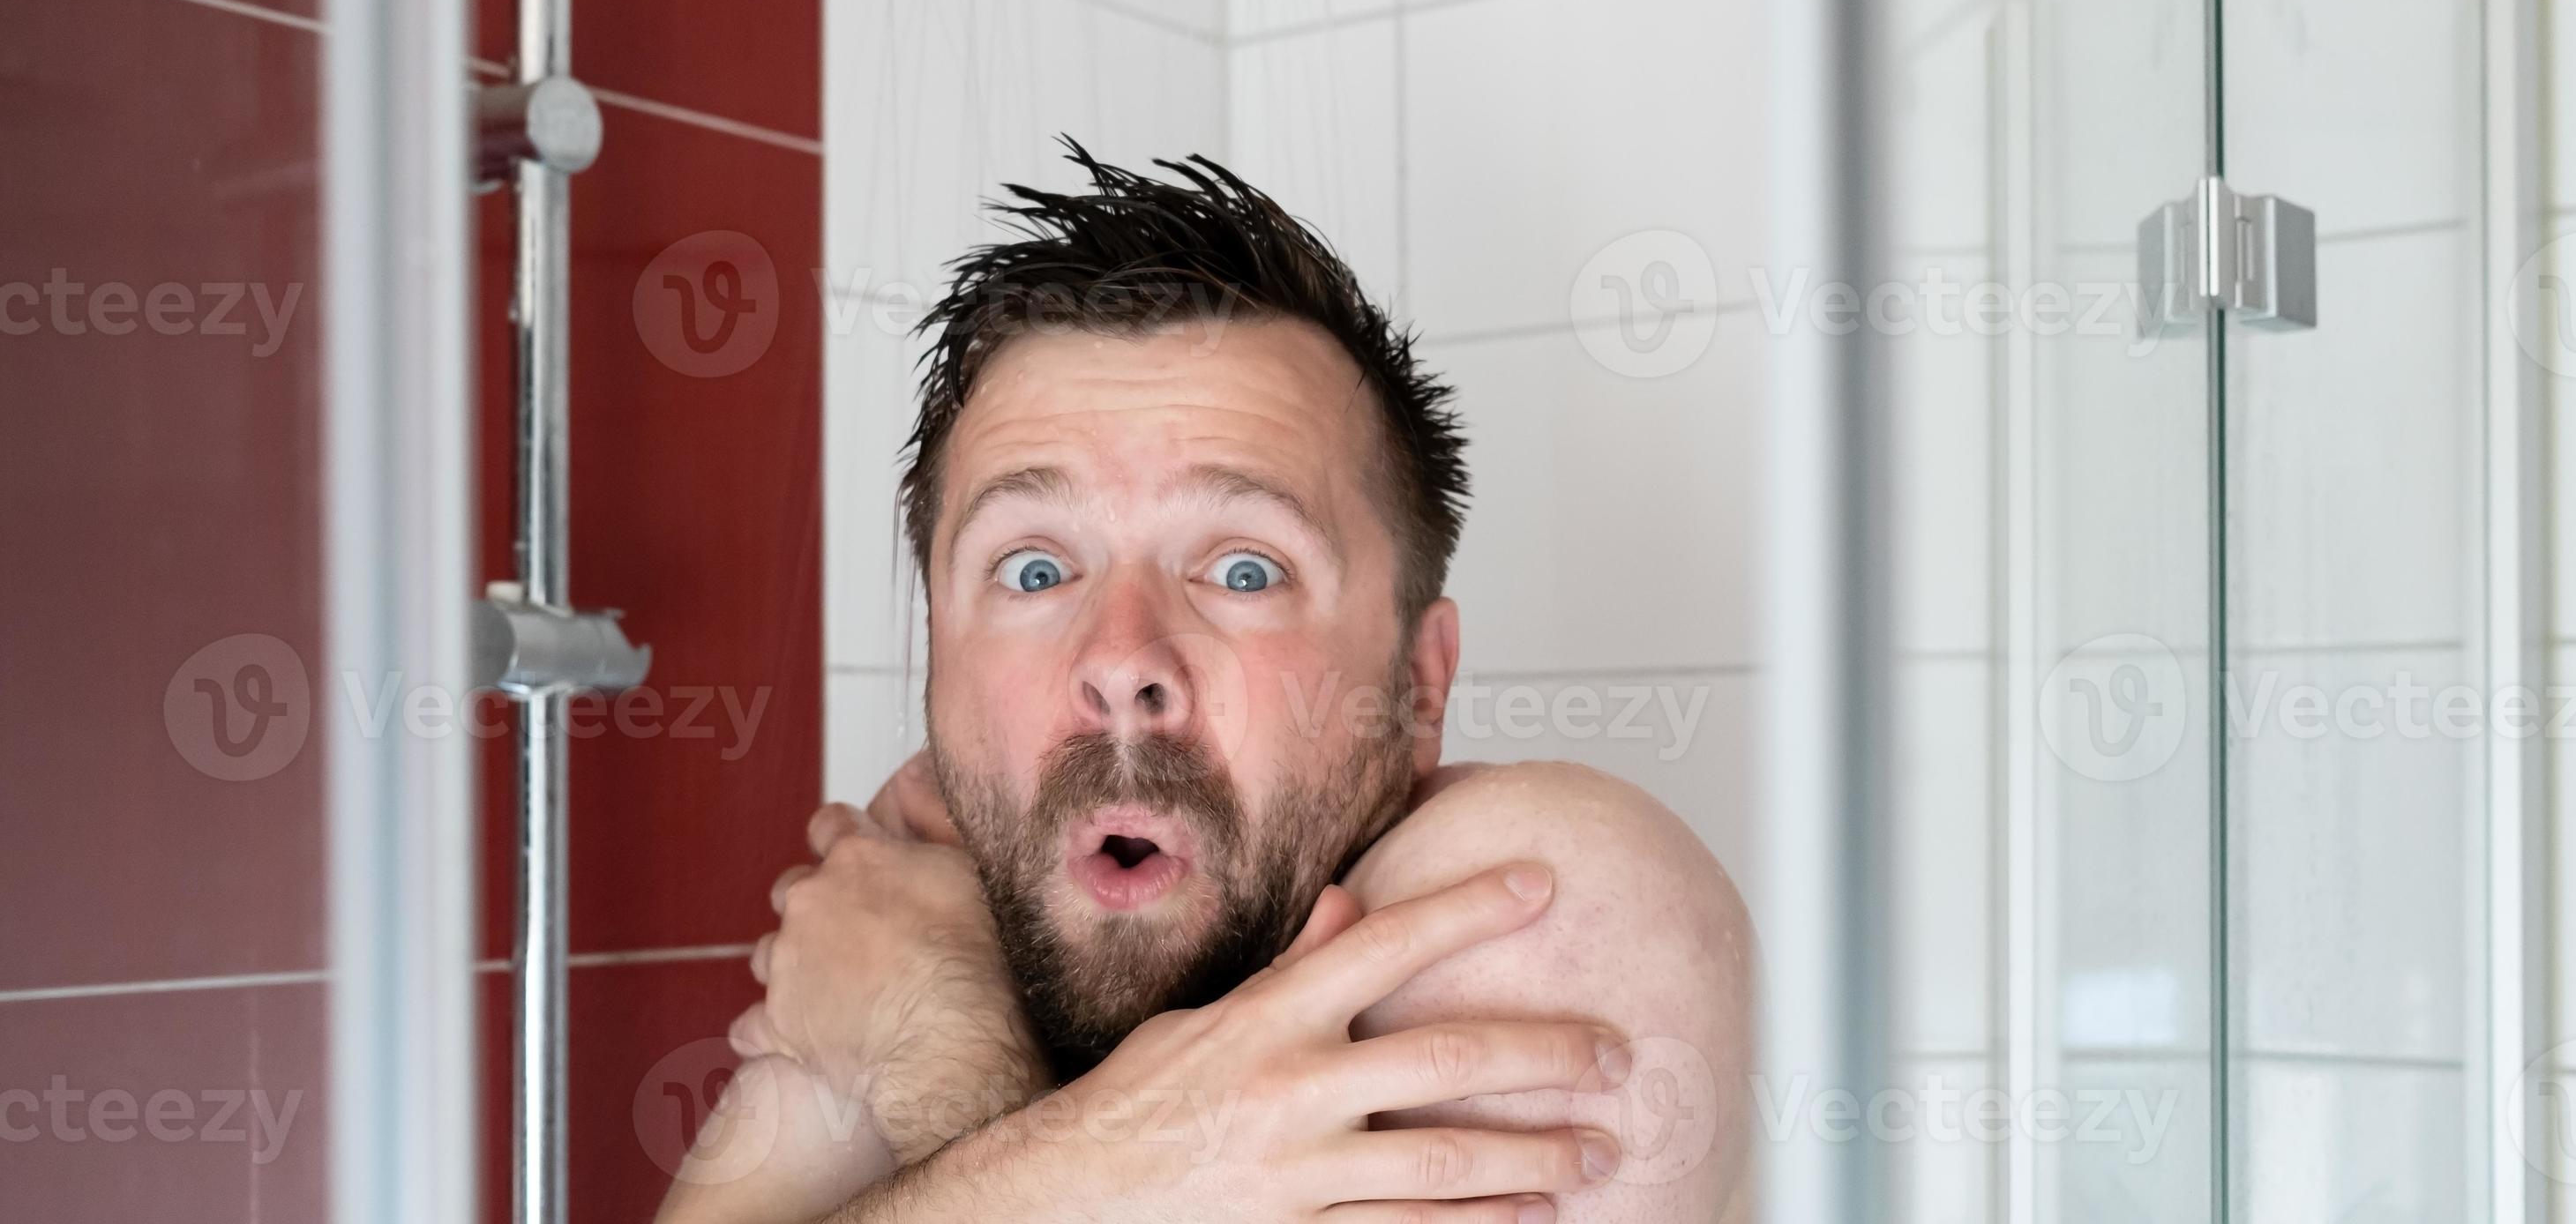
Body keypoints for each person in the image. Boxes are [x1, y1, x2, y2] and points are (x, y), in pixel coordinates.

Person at [655, 146, 1754, 1223]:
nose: (1124, 659)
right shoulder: (931, 900)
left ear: (1417, 686)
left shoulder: (1548, 901)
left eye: (1243, 569)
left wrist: (957, 1053)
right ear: (938, 664)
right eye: (1035, 569)